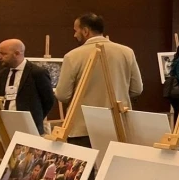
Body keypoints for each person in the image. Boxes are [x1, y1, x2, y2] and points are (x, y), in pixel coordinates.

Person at [56, 13, 143, 148]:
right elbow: (137, 89)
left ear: (85, 31)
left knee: (87, 169)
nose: (74, 35)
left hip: (83, 128)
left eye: (76, 30)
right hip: (118, 126)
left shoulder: (72, 56)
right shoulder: (127, 52)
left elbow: (62, 94)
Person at [0, 39, 56, 134]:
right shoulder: (2, 74)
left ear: (17, 53)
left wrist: (35, 118)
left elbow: (48, 100)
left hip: (29, 127)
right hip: (7, 125)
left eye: (3, 54)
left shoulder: (37, 73)